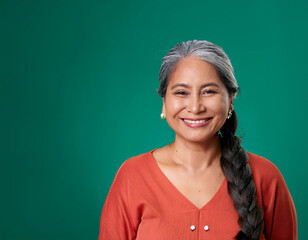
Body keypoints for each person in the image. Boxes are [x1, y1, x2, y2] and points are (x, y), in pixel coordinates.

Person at [98, 40, 297, 240]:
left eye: (209, 91)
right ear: (164, 103)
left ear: (230, 102)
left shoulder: (266, 177)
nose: (195, 107)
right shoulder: (132, 177)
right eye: (181, 93)